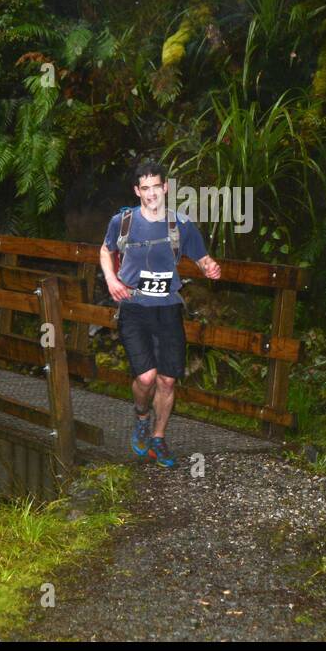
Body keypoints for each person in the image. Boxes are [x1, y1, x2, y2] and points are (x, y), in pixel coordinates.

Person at [100, 160, 220, 467]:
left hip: (168, 308)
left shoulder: (181, 224)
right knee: (146, 376)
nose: (152, 194)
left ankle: (157, 438)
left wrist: (209, 267)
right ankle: (141, 414)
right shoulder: (123, 221)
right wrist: (112, 280)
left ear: (165, 187)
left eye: (157, 186)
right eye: (146, 188)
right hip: (135, 307)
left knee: (167, 380)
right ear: (137, 191)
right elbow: (105, 250)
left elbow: (201, 256)